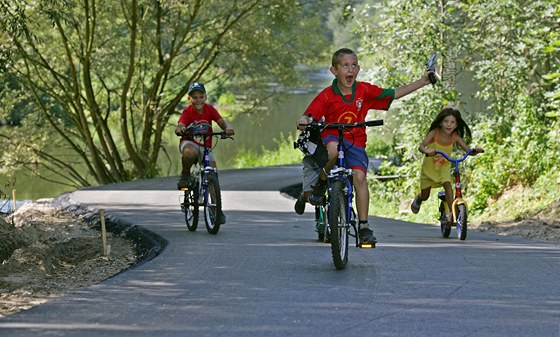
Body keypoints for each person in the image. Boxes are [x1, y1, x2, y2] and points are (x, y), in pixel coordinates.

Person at [297, 47, 434, 245]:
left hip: (356, 139)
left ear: (358, 69)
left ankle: (363, 226)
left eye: (354, 65)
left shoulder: (364, 91)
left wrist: (423, 81)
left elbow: (393, 94)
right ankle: (321, 180)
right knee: (333, 151)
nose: (350, 69)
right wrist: (304, 119)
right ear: (334, 71)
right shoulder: (327, 95)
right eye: (345, 65)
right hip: (333, 134)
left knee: (360, 177)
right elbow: (310, 114)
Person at [175, 82, 234, 224]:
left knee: (212, 170)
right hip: (189, 142)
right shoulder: (187, 112)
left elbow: (222, 123)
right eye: (195, 97)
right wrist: (180, 129)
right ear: (189, 99)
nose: (198, 100)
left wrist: (228, 128)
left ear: (205, 97)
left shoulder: (210, 109)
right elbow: (181, 125)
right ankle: (185, 175)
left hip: (205, 147)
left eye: (201, 96)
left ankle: (216, 208)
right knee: (189, 152)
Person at [410, 108, 483, 222]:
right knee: (425, 195)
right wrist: (426, 151)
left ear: (456, 124)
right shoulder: (434, 133)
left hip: (444, 166)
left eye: (452, 122)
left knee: (448, 185)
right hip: (429, 167)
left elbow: (468, 150)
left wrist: (475, 151)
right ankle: (419, 198)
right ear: (440, 122)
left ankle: (452, 214)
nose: (449, 125)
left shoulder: (455, 137)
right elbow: (421, 146)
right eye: (446, 121)